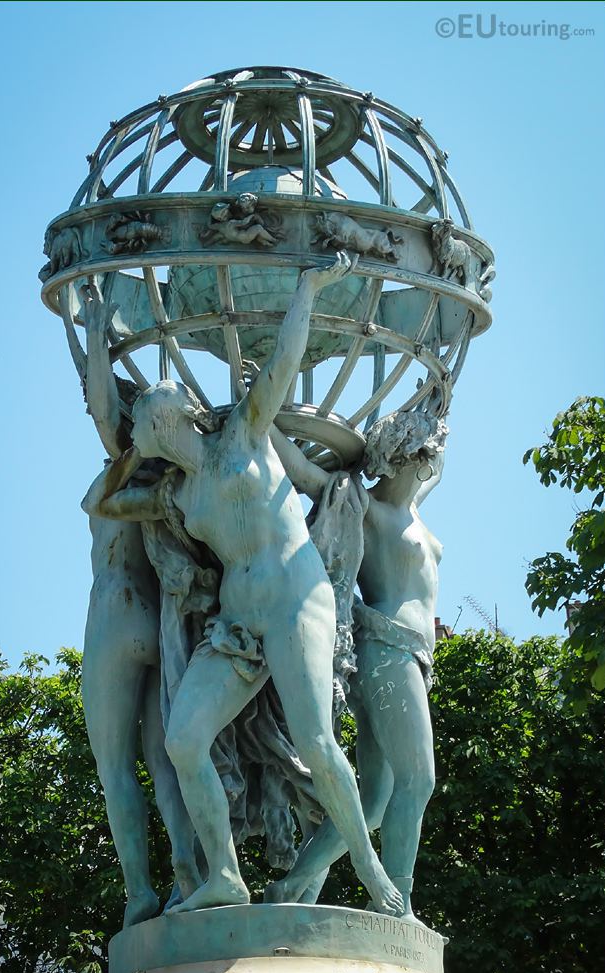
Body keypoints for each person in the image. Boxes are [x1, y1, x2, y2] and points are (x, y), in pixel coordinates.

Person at [81, 253, 405, 917]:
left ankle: (371, 873)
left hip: (294, 602)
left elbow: (284, 363)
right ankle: (224, 873)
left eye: (143, 421)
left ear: (169, 420)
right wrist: (129, 459)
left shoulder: (244, 436)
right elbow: (101, 505)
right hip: (237, 623)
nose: (136, 429)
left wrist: (309, 289)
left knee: (317, 742)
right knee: (182, 739)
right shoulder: (177, 492)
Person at [264, 411, 447, 922]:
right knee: (419, 780)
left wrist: (435, 395)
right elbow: (304, 474)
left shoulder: (413, 509)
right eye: (422, 455)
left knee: (371, 801)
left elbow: (441, 453)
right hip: (387, 648)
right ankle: (398, 904)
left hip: (411, 658)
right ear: (400, 456)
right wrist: (260, 410)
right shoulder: (365, 506)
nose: (427, 465)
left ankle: (295, 882)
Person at [80, 287, 202, 927]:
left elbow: (98, 405)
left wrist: (97, 339)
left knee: (115, 768)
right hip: (161, 626)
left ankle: (138, 893)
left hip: (113, 616)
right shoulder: (175, 486)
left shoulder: (123, 472)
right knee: (165, 760)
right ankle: (188, 876)